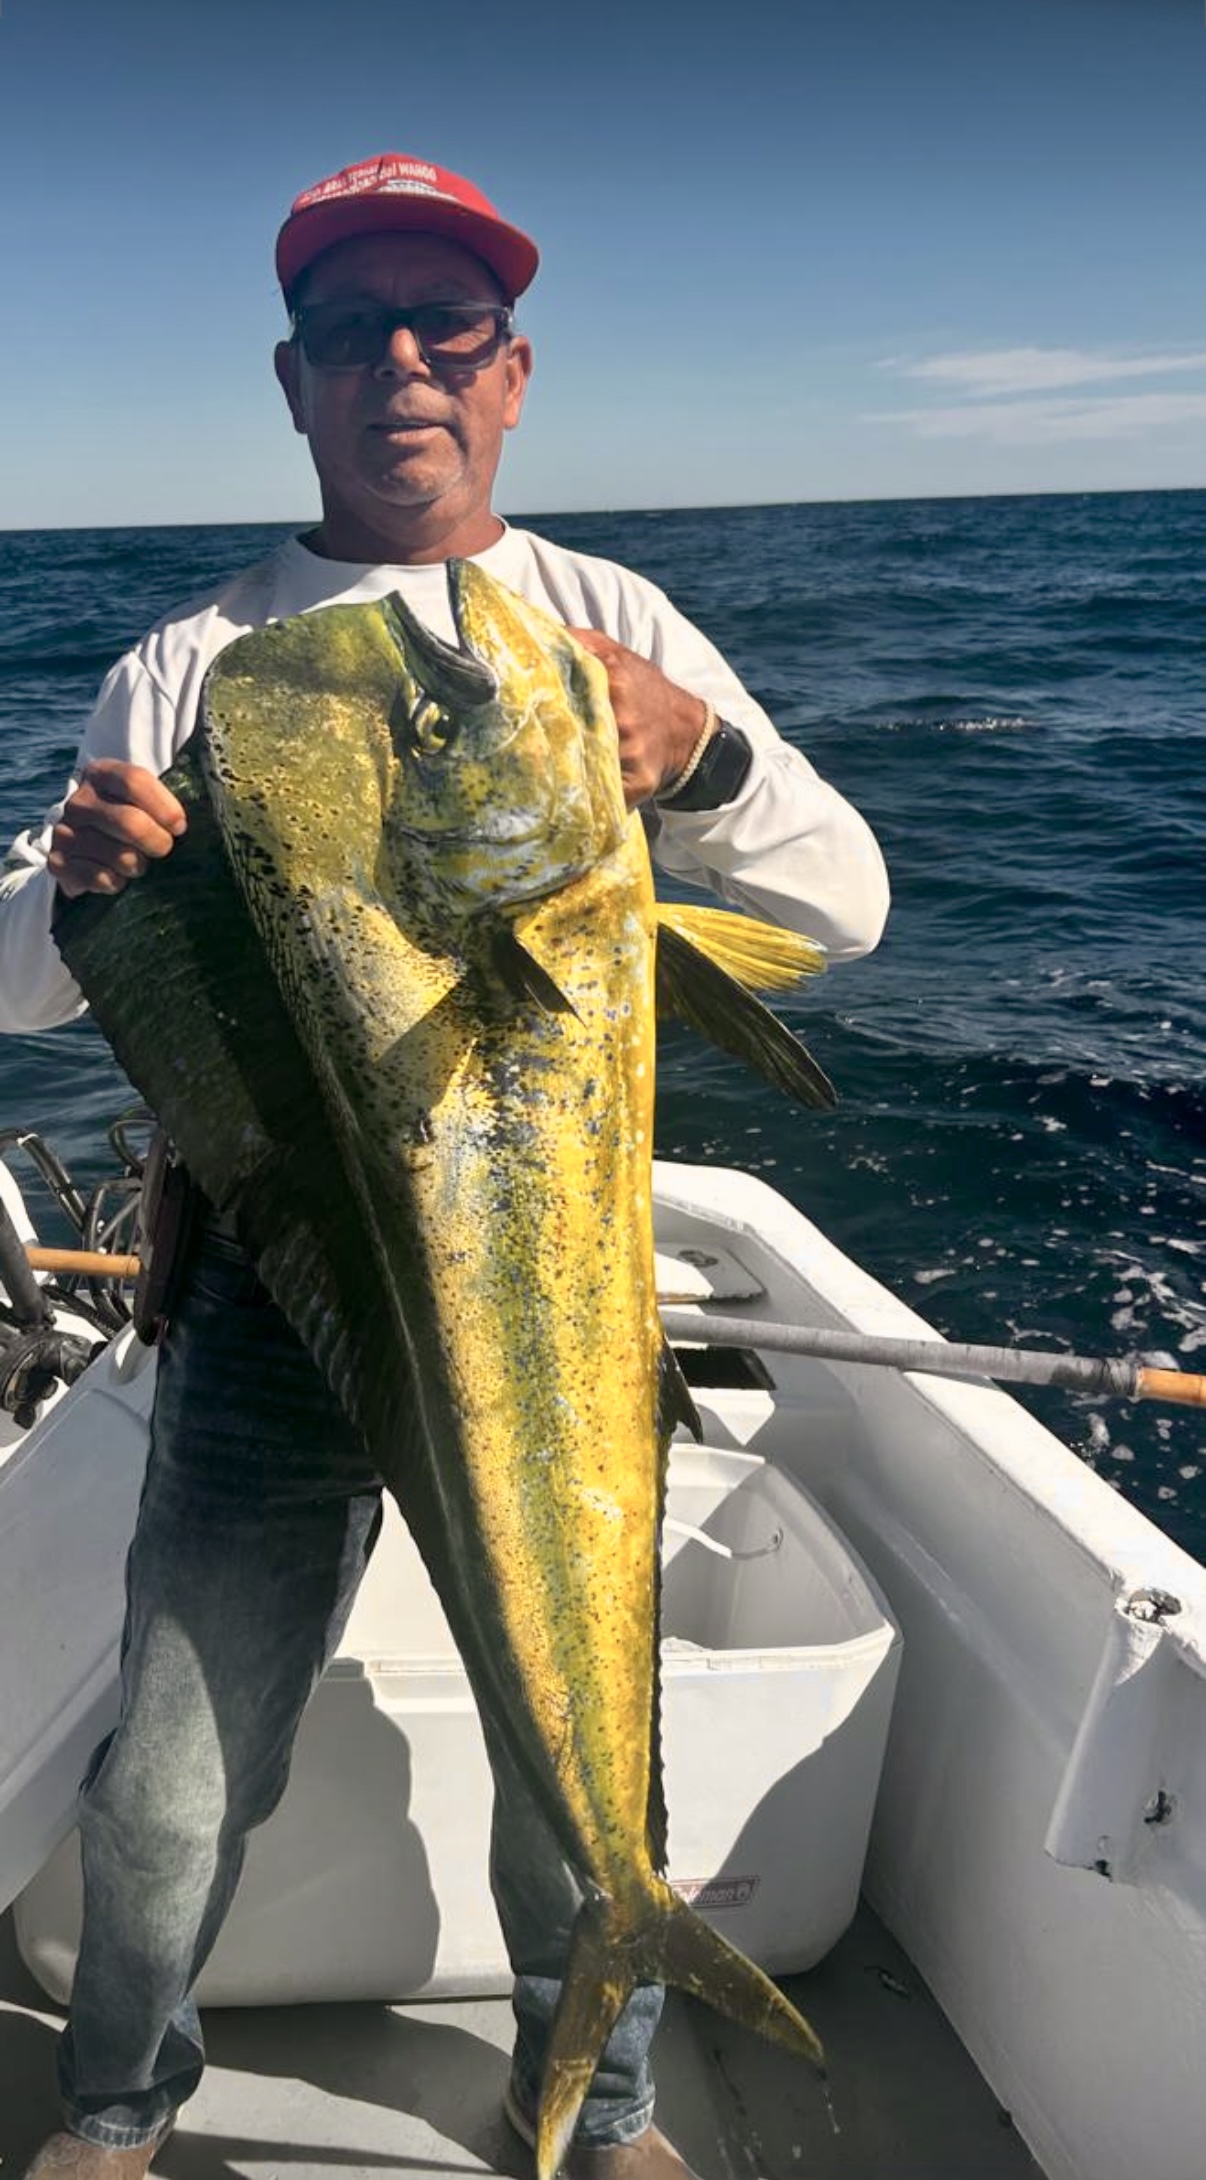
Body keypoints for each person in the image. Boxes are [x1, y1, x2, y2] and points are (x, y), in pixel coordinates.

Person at [2, 154, 889, 2180]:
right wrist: (74, 879)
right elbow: (32, 983)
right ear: (291, 381)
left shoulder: (610, 625)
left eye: (447, 327)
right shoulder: (187, 655)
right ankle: (118, 2112)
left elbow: (844, 905)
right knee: (172, 1771)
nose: (400, 362)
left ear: (510, 375)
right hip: (271, 1297)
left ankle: (606, 2104)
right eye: (349, 331)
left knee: (574, 1729)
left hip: (551, 1292)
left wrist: (715, 761)